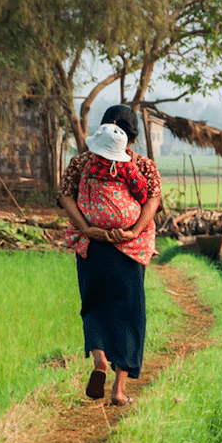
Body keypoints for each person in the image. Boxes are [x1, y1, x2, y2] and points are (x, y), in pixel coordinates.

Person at [58, 105, 161, 406]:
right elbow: (153, 199)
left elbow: (65, 195)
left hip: (92, 246)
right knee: (128, 314)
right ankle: (118, 391)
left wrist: (88, 228)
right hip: (128, 247)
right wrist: (134, 231)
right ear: (132, 138)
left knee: (94, 306)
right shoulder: (142, 166)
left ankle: (99, 361)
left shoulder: (82, 162)